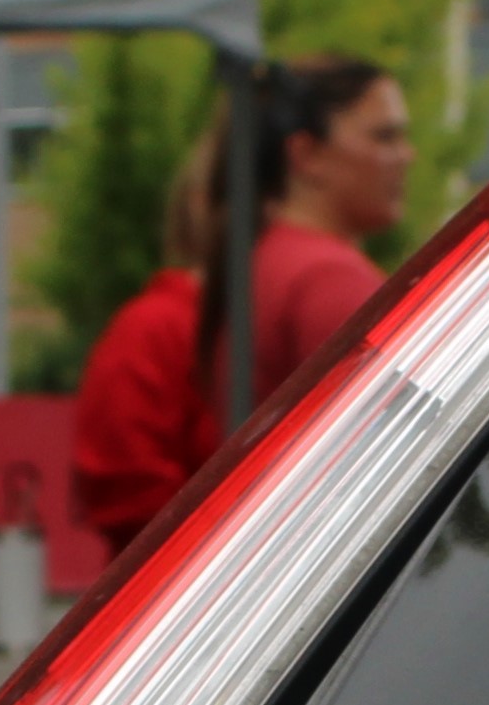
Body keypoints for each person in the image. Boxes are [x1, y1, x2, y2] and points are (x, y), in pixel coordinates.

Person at [67, 53, 415, 544]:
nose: (407, 156)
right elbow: (403, 459)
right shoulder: (326, 278)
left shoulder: (261, 262)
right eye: (384, 136)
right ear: (306, 155)